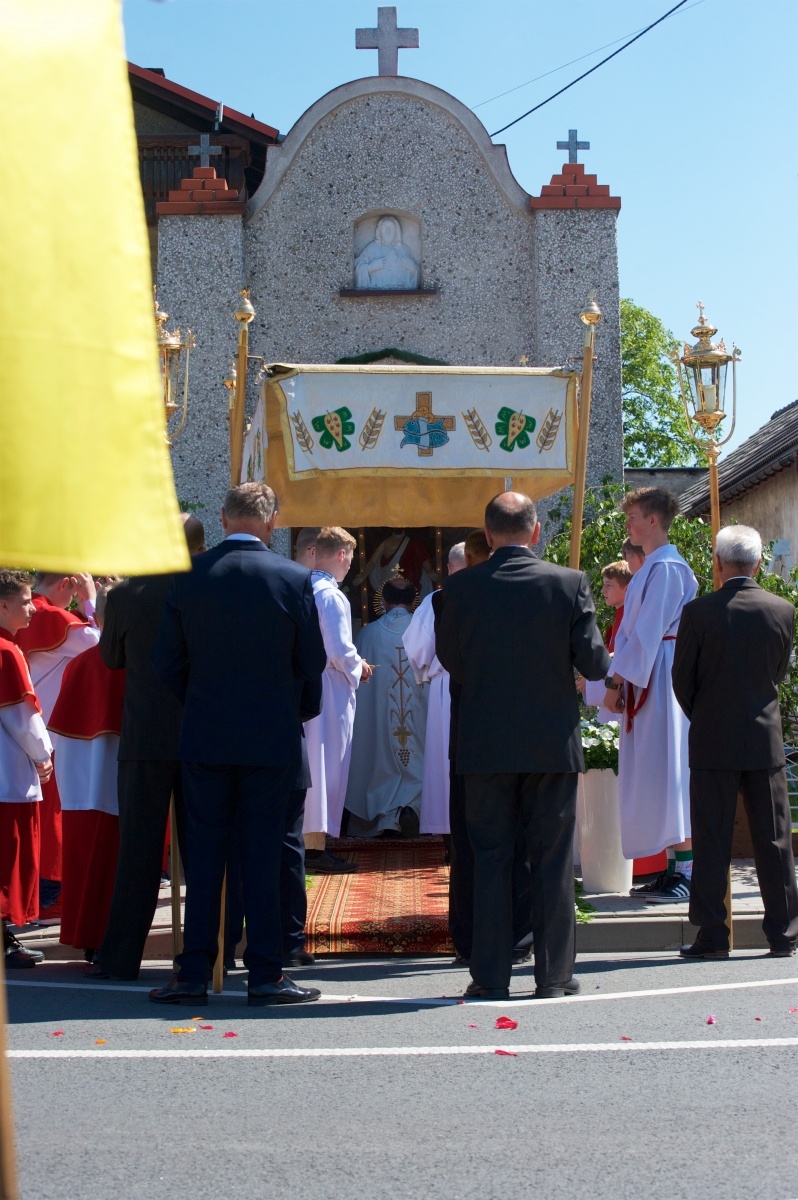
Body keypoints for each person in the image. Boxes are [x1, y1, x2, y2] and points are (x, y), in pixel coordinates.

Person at [150, 483, 326, 1006]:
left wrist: (201, 701)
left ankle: (193, 971)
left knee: (205, 854)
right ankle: (266, 973)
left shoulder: (188, 577)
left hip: (206, 734)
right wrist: (287, 709)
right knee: (264, 853)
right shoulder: (293, 578)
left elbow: (167, 662)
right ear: (272, 522)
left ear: (223, 519)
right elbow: (311, 662)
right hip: (270, 735)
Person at [437, 492, 610, 1000]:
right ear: (536, 532)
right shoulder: (568, 583)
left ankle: (490, 975)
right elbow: (595, 663)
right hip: (549, 742)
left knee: (490, 858)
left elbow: (451, 660)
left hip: (485, 741)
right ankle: (553, 974)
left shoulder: (460, 587)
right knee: (551, 859)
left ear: (488, 534)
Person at [85, 513, 205, 981]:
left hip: (145, 734)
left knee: (137, 850)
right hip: (198, 735)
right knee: (203, 851)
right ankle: (210, 953)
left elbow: (111, 657)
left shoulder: (125, 595)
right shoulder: (207, 591)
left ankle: (120, 959)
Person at [672, 525, 798, 958]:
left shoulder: (698, 612)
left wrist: (707, 714)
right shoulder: (781, 609)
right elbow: (777, 672)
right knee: (774, 840)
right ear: (759, 563)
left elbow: (682, 680)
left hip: (712, 738)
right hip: (764, 737)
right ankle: (783, 934)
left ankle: (712, 934)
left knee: (711, 839)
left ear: (718, 564)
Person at [603, 488, 698, 902]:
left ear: (653, 520)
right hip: (650, 671)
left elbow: (647, 633)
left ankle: (687, 872)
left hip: (662, 674)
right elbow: (632, 634)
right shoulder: (650, 567)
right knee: (657, 773)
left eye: (633, 517)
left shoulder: (668, 568)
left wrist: (615, 682)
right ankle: (673, 866)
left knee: (669, 769)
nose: (628, 524)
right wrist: (618, 678)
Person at [15, 571, 100, 912]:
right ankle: (46, 896)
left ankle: (38, 895)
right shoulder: (49, 614)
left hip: (26, 730)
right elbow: (101, 643)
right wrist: (91, 600)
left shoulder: (28, 611)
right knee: (49, 817)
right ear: (67, 583)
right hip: (44, 733)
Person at [48, 584, 125, 962]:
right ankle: (105, 940)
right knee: (110, 861)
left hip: (78, 777)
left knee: (84, 859)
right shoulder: (130, 662)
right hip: (113, 775)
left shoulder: (80, 663)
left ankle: (87, 936)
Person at [303, 527, 372, 872]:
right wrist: (360, 667)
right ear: (341, 554)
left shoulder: (304, 586)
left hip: (310, 682)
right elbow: (339, 649)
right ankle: (315, 848)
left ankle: (312, 843)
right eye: (349, 559)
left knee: (315, 763)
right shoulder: (330, 595)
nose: (349, 566)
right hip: (329, 687)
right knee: (328, 764)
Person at [345, 576, 427, 837]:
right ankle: (414, 809)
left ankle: (385, 815)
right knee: (419, 759)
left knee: (380, 760)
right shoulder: (426, 631)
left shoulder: (368, 634)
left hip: (380, 720)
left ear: (384, 600)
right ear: (414, 602)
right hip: (419, 717)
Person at [0, 570, 52, 968]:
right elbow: (23, 716)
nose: (32, 608)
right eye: (25, 601)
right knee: (9, 858)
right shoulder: (7, 652)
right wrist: (43, 753)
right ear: (3, 605)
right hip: (7, 777)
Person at [403, 543, 466, 839]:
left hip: (446, 687)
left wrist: (424, 674)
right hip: (488, 686)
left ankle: (449, 833)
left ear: (450, 569)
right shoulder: (494, 594)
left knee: (446, 758)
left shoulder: (437, 600)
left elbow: (417, 647)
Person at [577, 560, 632, 722]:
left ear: (627, 588)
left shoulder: (628, 618)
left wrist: (590, 681)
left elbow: (622, 660)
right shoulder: (619, 617)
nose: (603, 591)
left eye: (609, 585)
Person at [354, 214, 419, 290]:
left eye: (391, 228)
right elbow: (356, 268)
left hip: (401, 292)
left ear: (396, 231)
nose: (388, 231)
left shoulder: (404, 249)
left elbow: (420, 273)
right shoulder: (372, 248)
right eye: (384, 227)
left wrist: (414, 269)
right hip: (376, 291)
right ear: (379, 231)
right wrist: (370, 268)